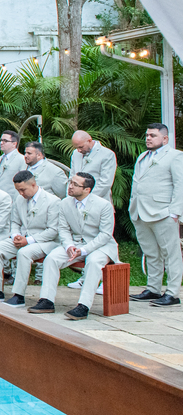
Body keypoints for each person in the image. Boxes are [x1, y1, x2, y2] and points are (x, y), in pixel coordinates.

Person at [27, 172, 119, 320]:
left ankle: (83, 306)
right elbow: (63, 229)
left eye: (75, 185)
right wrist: (69, 246)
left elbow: (105, 235)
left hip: (101, 246)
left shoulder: (104, 205)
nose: (70, 186)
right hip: (75, 244)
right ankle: (47, 301)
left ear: (87, 190)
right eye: (71, 182)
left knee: (94, 261)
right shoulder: (64, 203)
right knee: (52, 258)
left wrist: (84, 250)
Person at [0, 170, 63, 307]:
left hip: (45, 242)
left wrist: (28, 241)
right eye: (18, 190)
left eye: (23, 190)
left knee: (24, 253)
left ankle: (19, 295)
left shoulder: (53, 201)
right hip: (23, 238)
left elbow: (53, 231)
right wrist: (15, 235)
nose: (21, 194)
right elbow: (15, 222)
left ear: (33, 185)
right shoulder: (19, 199)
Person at [128, 123, 183, 307]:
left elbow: (180, 185)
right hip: (140, 211)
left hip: (163, 212)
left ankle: (173, 293)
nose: (148, 138)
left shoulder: (175, 156)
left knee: (171, 254)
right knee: (151, 253)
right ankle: (153, 288)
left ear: (165, 139)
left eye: (152, 135)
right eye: (147, 135)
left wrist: (175, 212)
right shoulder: (143, 156)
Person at [66, 130, 116, 201]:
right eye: (76, 148)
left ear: (89, 140)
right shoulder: (75, 153)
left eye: (81, 147)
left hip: (98, 200)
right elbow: (72, 176)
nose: (78, 150)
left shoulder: (107, 154)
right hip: (75, 201)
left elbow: (105, 183)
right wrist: (70, 197)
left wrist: (85, 198)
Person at [0, 130, 27, 200]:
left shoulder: (21, 159)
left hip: (12, 198)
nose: (1, 143)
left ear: (14, 144)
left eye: (5, 141)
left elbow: (23, 182)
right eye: (1, 140)